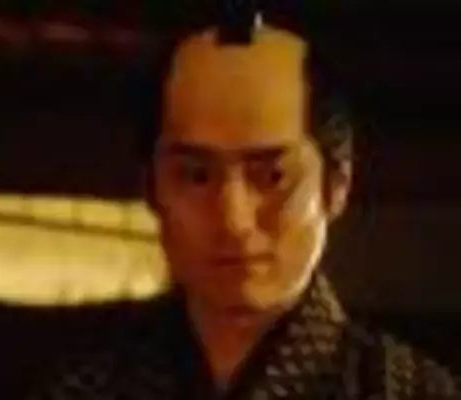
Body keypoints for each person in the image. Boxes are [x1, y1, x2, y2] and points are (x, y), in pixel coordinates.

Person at [29, 5, 459, 399]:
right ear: (151, 188)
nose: (234, 220)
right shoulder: (87, 391)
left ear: (336, 184)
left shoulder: (410, 391)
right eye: (197, 176)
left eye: (272, 177)